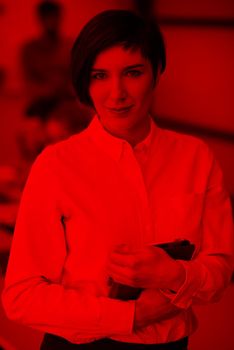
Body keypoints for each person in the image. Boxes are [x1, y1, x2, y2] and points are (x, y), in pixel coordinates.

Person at [2, 9, 234, 350]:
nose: (117, 93)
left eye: (133, 73)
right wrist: (132, 316)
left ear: (157, 72)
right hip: (79, 343)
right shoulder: (56, 164)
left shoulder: (195, 157)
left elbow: (220, 269)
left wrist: (173, 275)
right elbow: (22, 295)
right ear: (84, 81)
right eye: (99, 76)